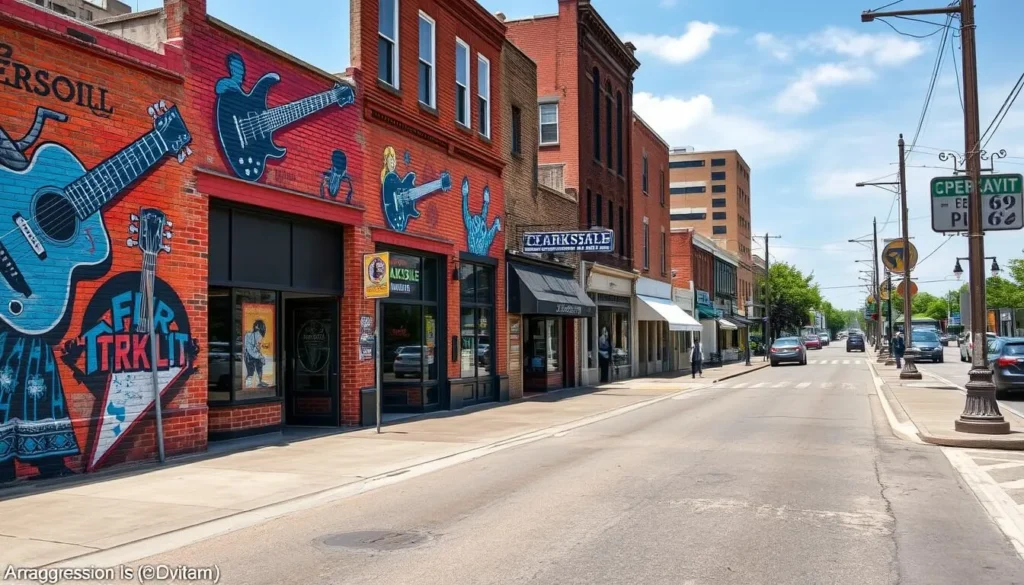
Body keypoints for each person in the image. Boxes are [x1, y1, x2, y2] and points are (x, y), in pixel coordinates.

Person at [244, 319, 269, 387]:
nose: (260, 337)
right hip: (248, 355)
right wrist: (260, 356)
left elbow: (256, 349)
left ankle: (260, 382)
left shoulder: (258, 336)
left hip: (254, 354)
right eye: (259, 333)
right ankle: (248, 385)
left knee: (259, 366)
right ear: (256, 327)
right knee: (250, 372)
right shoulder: (248, 336)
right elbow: (250, 351)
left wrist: (260, 356)